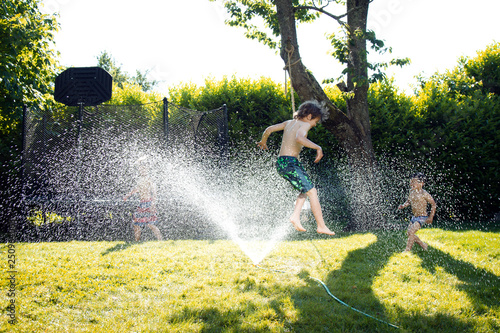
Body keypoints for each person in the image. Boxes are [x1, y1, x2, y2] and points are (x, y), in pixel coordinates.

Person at [257, 100, 335, 236]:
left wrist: (263, 141)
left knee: (305, 189)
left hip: (282, 162)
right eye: (315, 122)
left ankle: (295, 216)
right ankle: (321, 226)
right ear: (310, 116)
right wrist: (318, 147)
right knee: (313, 192)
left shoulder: (288, 123)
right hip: (290, 163)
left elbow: (268, 130)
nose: (314, 124)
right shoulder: (305, 124)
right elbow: (299, 138)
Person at [123, 156, 163, 241]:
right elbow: (137, 189)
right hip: (142, 203)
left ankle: (160, 240)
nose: (142, 170)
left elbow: (154, 191)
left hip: (148, 203)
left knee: (151, 224)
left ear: (147, 170)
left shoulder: (149, 179)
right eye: (141, 169)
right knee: (136, 224)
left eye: (143, 169)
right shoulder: (140, 179)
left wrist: (153, 203)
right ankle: (137, 242)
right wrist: (128, 195)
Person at [398, 172, 436, 252]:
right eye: (411, 182)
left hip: (422, 217)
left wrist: (431, 217)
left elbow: (433, 204)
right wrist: (403, 205)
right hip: (414, 217)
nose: (411, 184)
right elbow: (408, 201)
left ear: (421, 183)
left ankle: (407, 250)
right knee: (409, 233)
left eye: (414, 182)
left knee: (411, 231)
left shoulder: (424, 194)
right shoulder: (412, 193)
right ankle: (423, 245)